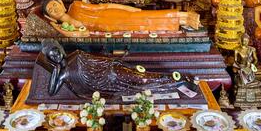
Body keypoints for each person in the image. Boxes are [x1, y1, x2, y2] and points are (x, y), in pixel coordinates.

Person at [37, 39, 193, 101]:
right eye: (53, 56)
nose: (57, 56)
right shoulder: (63, 73)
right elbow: (51, 92)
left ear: (60, 49)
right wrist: (56, 70)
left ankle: (175, 80)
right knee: (140, 84)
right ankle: (175, 81)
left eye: (57, 51)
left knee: (142, 78)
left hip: (111, 70)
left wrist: (112, 62)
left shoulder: (76, 55)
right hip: (108, 85)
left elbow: (95, 59)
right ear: (51, 59)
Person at [42, 0, 200, 34]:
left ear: (61, 3)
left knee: (145, 16)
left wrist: (128, 8)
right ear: (50, 17)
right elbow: (79, 32)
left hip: (112, 15)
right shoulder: (63, 27)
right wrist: (57, 26)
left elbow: (103, 6)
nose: (55, 9)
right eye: (51, 10)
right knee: (145, 26)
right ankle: (181, 19)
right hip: (109, 28)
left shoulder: (75, 6)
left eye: (55, 5)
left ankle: (183, 17)